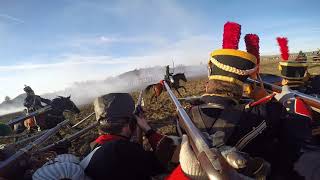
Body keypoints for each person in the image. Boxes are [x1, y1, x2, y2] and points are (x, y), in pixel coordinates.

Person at [167, 22, 314, 179]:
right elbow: (282, 116)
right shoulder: (260, 113)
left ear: (208, 81)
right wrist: (263, 99)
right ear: (240, 85)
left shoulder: (184, 115)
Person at [82, 93, 176, 180]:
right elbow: (163, 163)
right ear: (130, 123)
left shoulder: (92, 146)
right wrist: (147, 129)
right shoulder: (123, 150)